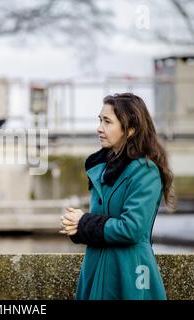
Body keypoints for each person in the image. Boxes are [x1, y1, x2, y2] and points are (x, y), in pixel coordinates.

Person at [60, 93, 173, 300]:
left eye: (107, 122)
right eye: (99, 120)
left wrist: (83, 222)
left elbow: (131, 229)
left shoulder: (145, 171)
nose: (99, 128)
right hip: (95, 271)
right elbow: (102, 220)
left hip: (130, 275)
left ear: (130, 130)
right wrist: (76, 226)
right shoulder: (100, 169)